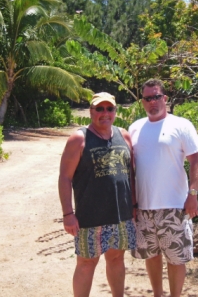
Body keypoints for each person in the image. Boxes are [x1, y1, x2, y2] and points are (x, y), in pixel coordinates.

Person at [129, 79, 198, 297]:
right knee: (151, 256)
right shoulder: (134, 128)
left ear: (165, 98)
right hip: (143, 207)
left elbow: (196, 160)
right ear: (142, 101)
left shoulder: (181, 125)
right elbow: (131, 169)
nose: (153, 102)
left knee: (176, 258)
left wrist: (193, 194)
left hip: (174, 205)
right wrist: (132, 203)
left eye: (156, 97)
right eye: (147, 98)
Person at [58, 92, 137, 297]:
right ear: (91, 111)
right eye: (99, 109)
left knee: (116, 259)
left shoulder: (124, 135)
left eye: (109, 109)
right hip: (89, 216)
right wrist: (68, 214)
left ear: (115, 111)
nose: (105, 113)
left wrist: (134, 206)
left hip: (121, 214)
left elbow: (131, 174)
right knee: (86, 263)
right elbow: (65, 177)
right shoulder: (79, 138)